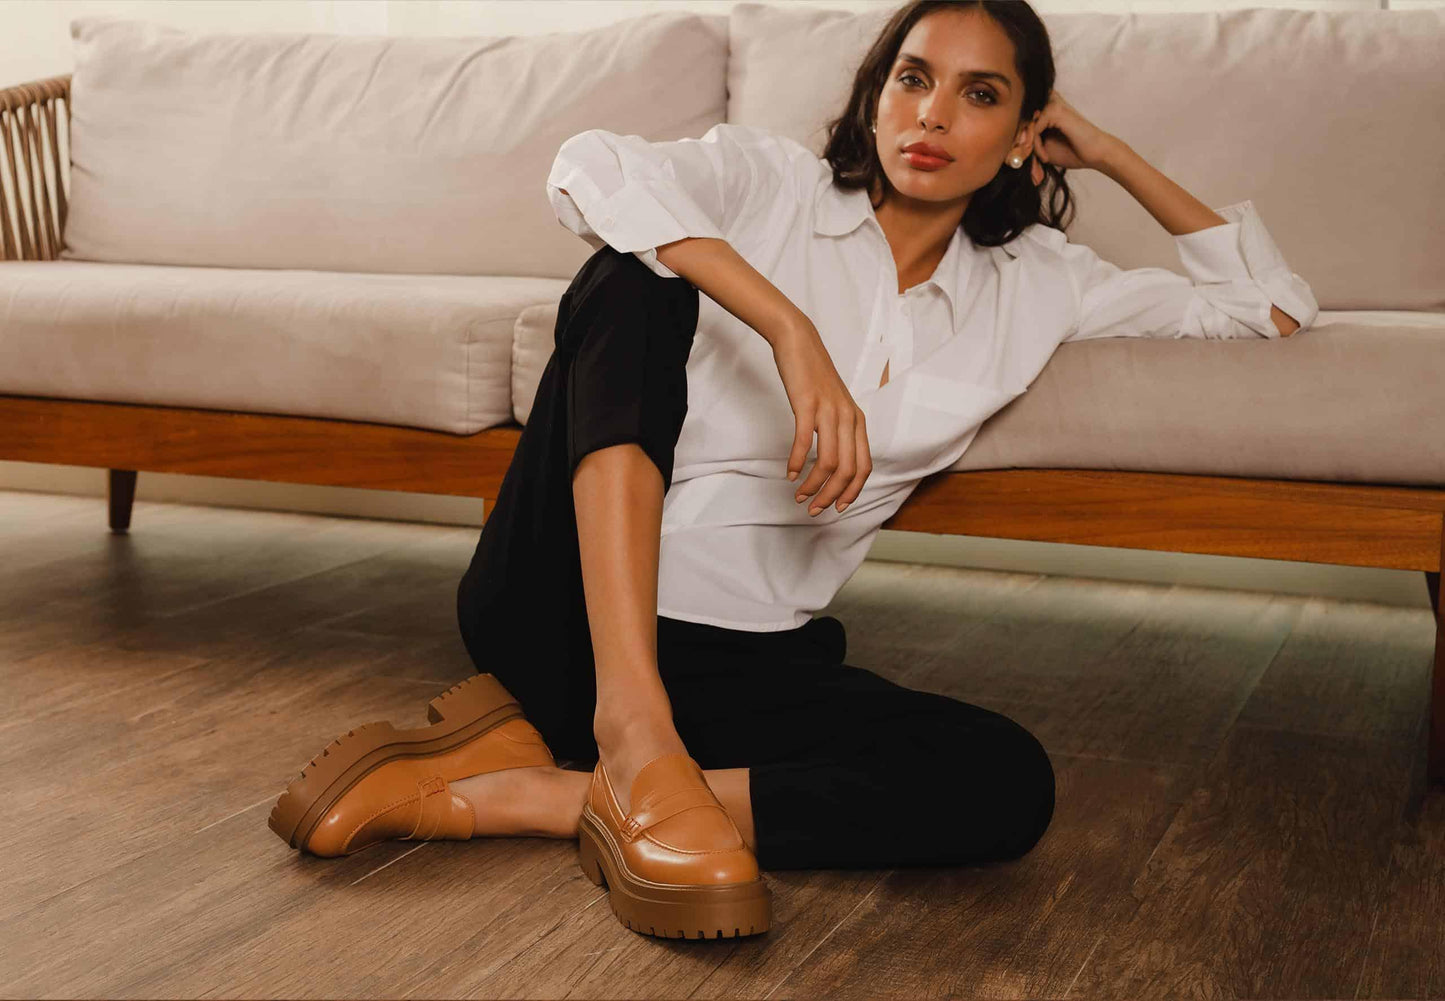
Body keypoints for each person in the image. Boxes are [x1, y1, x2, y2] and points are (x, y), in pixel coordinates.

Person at [268, 0, 1318, 941]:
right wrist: (788, 329)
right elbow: (590, 167)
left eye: (979, 93)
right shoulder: (768, 184)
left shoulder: (1040, 284)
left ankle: (543, 792)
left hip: (740, 663)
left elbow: (1267, 307)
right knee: (636, 272)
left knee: (1005, 779)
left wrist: (1111, 154)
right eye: (912, 78)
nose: (931, 113)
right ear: (874, 97)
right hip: (560, 609)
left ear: (1021, 135)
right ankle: (628, 729)